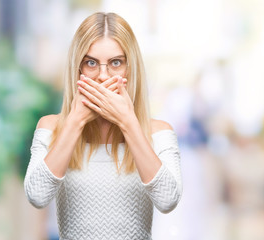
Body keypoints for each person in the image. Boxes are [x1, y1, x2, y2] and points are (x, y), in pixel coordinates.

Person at [24, 12, 182, 239]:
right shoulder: (51, 127)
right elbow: (37, 196)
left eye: (116, 63)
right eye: (91, 63)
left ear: (130, 68)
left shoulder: (159, 132)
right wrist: (75, 121)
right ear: (77, 68)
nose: (102, 76)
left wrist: (128, 122)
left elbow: (168, 200)